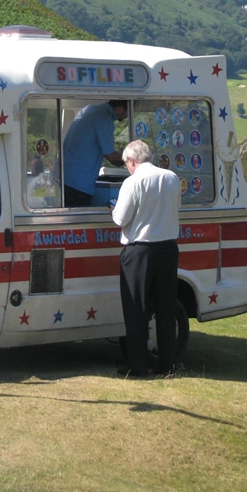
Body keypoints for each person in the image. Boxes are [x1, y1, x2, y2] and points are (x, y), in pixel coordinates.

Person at [109, 140, 181, 377]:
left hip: (140, 250)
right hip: (168, 248)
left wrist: (112, 208)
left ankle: (138, 365)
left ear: (131, 160)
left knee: (136, 308)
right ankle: (167, 364)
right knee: (165, 308)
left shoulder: (132, 182)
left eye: (126, 163)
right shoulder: (171, 177)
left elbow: (120, 219)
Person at [62, 100, 128, 206]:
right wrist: (131, 159)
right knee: (81, 221)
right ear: (119, 109)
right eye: (128, 113)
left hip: (64, 178)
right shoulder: (104, 119)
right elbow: (111, 156)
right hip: (79, 185)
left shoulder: (88, 109)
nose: (127, 117)